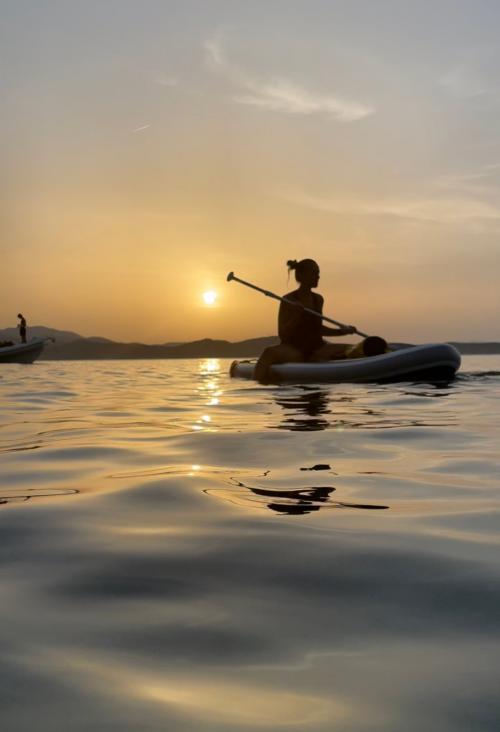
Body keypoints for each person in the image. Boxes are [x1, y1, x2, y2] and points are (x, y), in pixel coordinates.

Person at [254, 259, 357, 382]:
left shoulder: (318, 299)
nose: (318, 276)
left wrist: (342, 331)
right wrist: (295, 316)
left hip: (317, 348)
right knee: (268, 352)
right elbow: (282, 334)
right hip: (294, 350)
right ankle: (257, 386)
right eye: (314, 273)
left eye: (318, 273)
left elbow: (318, 329)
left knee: (353, 349)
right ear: (301, 275)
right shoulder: (288, 300)